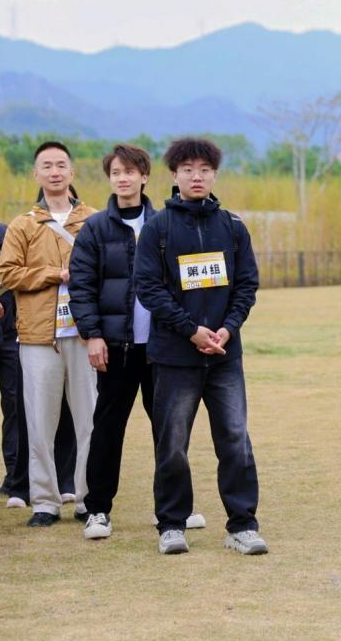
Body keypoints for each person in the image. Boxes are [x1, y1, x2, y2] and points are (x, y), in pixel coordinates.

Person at [134, 137, 265, 556]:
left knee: (235, 438)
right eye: (188, 169)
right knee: (172, 443)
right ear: (174, 175)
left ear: (214, 175)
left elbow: (246, 285)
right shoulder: (158, 228)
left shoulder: (233, 226)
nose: (197, 176)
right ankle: (172, 525)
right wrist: (190, 330)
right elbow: (148, 288)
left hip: (225, 356)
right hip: (175, 357)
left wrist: (227, 329)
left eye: (205, 170)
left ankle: (242, 525)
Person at [69, 144, 207, 540]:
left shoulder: (165, 223)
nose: (123, 179)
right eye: (116, 173)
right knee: (107, 429)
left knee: (170, 430)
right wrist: (93, 335)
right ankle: (98, 509)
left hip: (162, 348)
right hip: (116, 347)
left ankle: (175, 509)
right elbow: (82, 286)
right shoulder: (95, 228)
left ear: (145, 176)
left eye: (130, 172)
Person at [0, 142, 99, 527]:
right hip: (39, 335)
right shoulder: (24, 224)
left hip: (86, 333)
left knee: (90, 418)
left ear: (72, 172)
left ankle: (88, 497)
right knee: (40, 420)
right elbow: (8, 273)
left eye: (60, 165)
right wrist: (53, 274)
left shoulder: (95, 221)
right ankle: (44, 500)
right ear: (36, 174)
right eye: (46, 166)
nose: (54, 172)